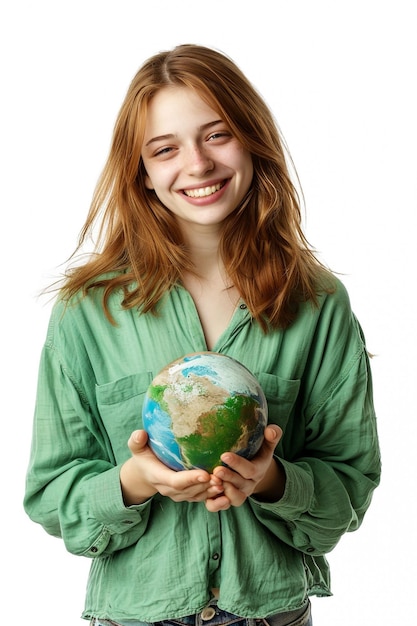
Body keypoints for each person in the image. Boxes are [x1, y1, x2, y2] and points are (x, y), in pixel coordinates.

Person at [24, 44, 381, 626]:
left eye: (217, 135)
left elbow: (349, 487)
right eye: (165, 149)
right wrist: (133, 481)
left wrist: (272, 481)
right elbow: (51, 493)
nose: (197, 164)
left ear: (252, 139)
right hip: (135, 615)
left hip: (271, 615)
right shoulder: (88, 310)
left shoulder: (317, 303)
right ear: (141, 173)